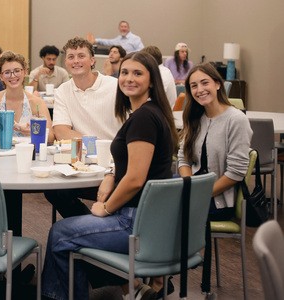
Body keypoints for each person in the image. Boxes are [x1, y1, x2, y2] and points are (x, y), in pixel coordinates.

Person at [41, 51, 179, 300]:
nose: (129, 78)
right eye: (124, 72)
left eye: (138, 73)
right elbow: (132, 167)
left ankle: (59, 296)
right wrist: (110, 176)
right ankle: (128, 288)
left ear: (152, 80)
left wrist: (105, 207)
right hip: (148, 217)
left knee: (60, 233)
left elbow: (136, 179)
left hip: (133, 221)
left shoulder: (144, 119)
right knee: (70, 232)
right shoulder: (150, 112)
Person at [44, 37, 120, 218]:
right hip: (82, 164)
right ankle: (87, 225)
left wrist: (103, 150)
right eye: (71, 57)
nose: (76, 61)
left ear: (92, 60)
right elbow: (61, 131)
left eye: (81, 56)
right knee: (54, 190)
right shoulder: (63, 90)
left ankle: (91, 229)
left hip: (115, 165)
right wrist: (96, 147)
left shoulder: (114, 86)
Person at [178, 62, 252, 221]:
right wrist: (189, 186)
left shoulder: (236, 120)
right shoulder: (195, 118)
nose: (200, 90)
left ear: (217, 84)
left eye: (205, 83)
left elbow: (236, 172)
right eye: (194, 86)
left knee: (162, 212)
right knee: (153, 198)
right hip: (194, 191)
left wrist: (198, 194)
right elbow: (183, 159)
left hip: (218, 201)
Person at [0, 51, 52, 139]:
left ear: (25, 72)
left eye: (17, 71)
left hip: (28, 151)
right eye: (7, 72)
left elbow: (50, 136)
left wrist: (33, 132)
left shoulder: (37, 102)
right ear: (1, 76)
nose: (12, 76)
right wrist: (16, 127)